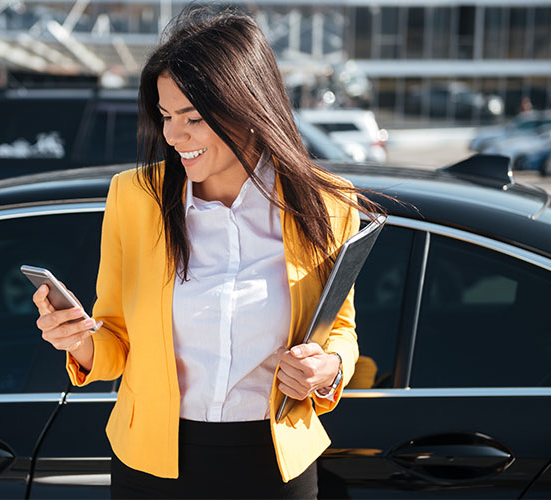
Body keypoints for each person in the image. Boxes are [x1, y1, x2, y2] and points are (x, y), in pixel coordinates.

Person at [33, 6, 378, 499]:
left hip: (276, 465)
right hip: (154, 465)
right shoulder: (134, 198)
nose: (173, 136)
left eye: (193, 118)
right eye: (167, 115)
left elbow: (339, 329)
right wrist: (77, 341)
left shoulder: (326, 201)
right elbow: (115, 342)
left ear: (250, 109)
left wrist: (329, 369)